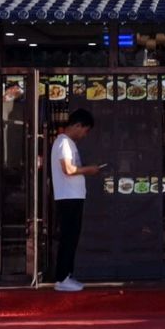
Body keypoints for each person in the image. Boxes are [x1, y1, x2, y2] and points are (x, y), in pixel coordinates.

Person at [49, 108, 102, 292]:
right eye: (85, 130)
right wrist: (89, 170)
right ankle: (62, 277)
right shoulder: (63, 142)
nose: (85, 135)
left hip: (72, 196)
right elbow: (68, 169)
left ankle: (67, 275)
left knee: (72, 237)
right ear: (78, 125)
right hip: (68, 197)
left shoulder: (67, 142)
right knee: (68, 237)